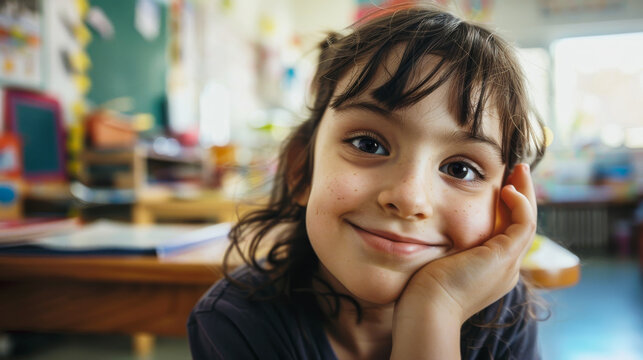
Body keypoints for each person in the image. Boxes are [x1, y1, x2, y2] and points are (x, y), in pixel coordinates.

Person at [188, 5, 546, 360]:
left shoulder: (505, 321)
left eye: (460, 170)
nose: (409, 197)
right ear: (301, 170)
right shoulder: (236, 323)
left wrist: (437, 306)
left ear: (505, 203)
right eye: (368, 144)